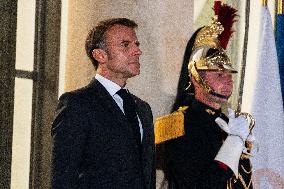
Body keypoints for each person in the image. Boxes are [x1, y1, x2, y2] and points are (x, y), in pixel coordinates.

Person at [155, 2, 254, 188]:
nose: (228, 81)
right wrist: (234, 142)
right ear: (195, 78)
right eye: (218, 74)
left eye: (228, 75)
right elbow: (200, 183)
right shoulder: (177, 124)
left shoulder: (227, 123)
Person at [51, 18, 155, 189]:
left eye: (136, 44)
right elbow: (63, 178)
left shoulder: (143, 109)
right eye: (125, 45)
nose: (137, 51)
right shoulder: (77, 104)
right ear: (100, 55)